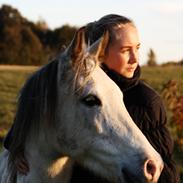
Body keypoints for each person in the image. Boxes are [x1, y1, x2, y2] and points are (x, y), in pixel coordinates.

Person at [4, 14, 180, 183]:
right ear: (101, 51)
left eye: (137, 48)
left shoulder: (146, 101)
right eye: (125, 50)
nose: (135, 59)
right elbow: (35, 104)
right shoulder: (84, 87)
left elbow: (167, 170)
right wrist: (16, 145)